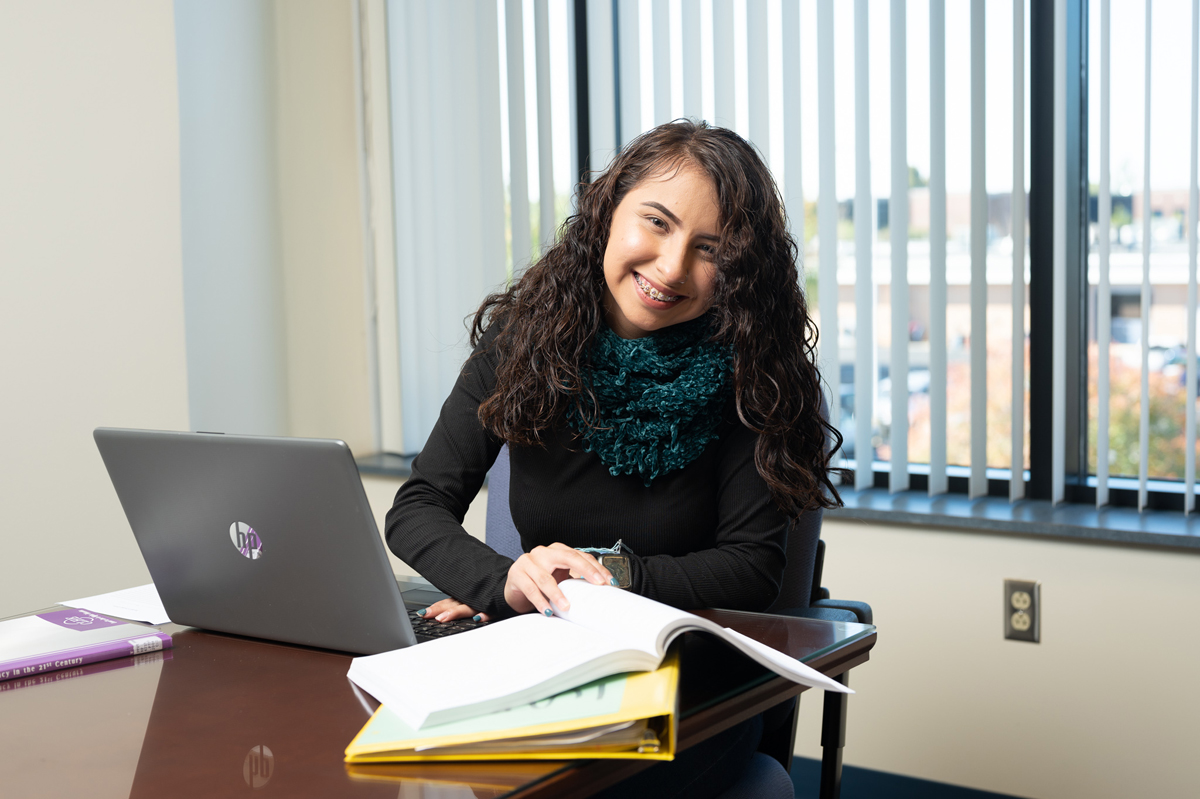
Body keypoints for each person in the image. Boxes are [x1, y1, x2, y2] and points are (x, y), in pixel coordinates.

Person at [385, 120, 842, 797]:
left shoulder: (758, 374)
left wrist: (606, 573)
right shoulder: (524, 339)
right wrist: (503, 582)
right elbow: (418, 507)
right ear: (607, 209)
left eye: (707, 250)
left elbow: (751, 565)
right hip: (549, 660)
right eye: (655, 222)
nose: (670, 266)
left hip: (692, 684)